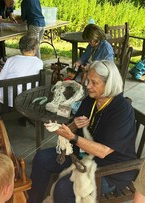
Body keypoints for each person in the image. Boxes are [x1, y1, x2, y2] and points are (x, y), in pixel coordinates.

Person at [27, 60, 137, 203]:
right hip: (85, 157)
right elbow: (72, 130)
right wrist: (71, 126)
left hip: (111, 169)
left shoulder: (121, 110)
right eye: (88, 81)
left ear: (109, 84)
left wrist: (72, 137)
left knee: (64, 188)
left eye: (94, 82)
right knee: (42, 158)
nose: (88, 86)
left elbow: (103, 151)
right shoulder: (90, 101)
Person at [0, 34, 43, 107]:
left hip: (9, 101)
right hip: (29, 101)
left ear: (21, 48)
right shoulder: (39, 62)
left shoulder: (11, 60)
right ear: (34, 49)